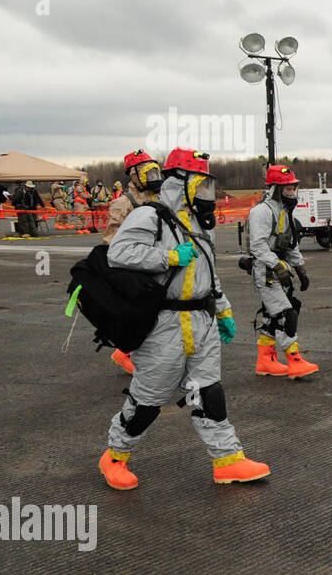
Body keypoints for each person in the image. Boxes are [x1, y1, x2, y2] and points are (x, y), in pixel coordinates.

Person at [98, 147, 269, 490]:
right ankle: (115, 456)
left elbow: (208, 273)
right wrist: (169, 256)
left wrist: (223, 310)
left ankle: (227, 459)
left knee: (209, 392)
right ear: (180, 184)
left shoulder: (196, 225)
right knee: (148, 400)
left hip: (201, 320)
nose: (206, 194)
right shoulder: (151, 216)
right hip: (165, 325)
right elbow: (118, 253)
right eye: (200, 186)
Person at [247, 164, 319, 379]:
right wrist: (276, 265)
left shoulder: (285, 212)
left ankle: (266, 360)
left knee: (271, 315)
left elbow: (291, 243)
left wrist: (300, 268)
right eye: (287, 189)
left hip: (281, 268)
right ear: (275, 189)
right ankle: (294, 359)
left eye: (292, 188)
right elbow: (257, 246)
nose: (291, 193)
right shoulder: (262, 211)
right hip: (266, 271)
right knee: (286, 315)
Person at [104, 151, 166, 374]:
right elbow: (113, 244)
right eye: (148, 173)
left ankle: (132, 353)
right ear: (134, 175)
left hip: (154, 263)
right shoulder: (123, 204)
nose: (154, 177)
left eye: (155, 171)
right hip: (133, 269)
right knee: (141, 314)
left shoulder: (157, 200)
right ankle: (124, 353)